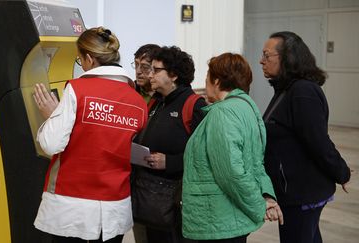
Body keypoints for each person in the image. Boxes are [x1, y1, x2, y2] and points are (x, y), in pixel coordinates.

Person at [32, 26, 148, 243]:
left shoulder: (77, 90)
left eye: (79, 61)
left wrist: (52, 116)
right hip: (115, 204)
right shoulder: (138, 102)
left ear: (89, 59)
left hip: (73, 204)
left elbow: (51, 144)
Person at [182, 53, 283, 243]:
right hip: (229, 218)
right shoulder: (247, 107)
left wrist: (258, 206)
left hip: (217, 220)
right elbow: (255, 162)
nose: (205, 84)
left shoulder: (222, 113)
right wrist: (266, 196)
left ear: (217, 81)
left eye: (207, 79)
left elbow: (231, 172)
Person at [260, 31, 351, 243]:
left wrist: (342, 172)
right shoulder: (285, 90)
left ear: (288, 58)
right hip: (293, 190)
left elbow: (318, 142)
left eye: (267, 55)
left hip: (302, 192)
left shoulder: (302, 92)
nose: (261, 61)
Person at [133, 46, 206, 243]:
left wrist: (170, 162)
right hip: (151, 197)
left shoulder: (194, 105)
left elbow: (204, 156)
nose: (150, 75)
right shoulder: (157, 102)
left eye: (156, 70)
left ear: (173, 75)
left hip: (177, 201)